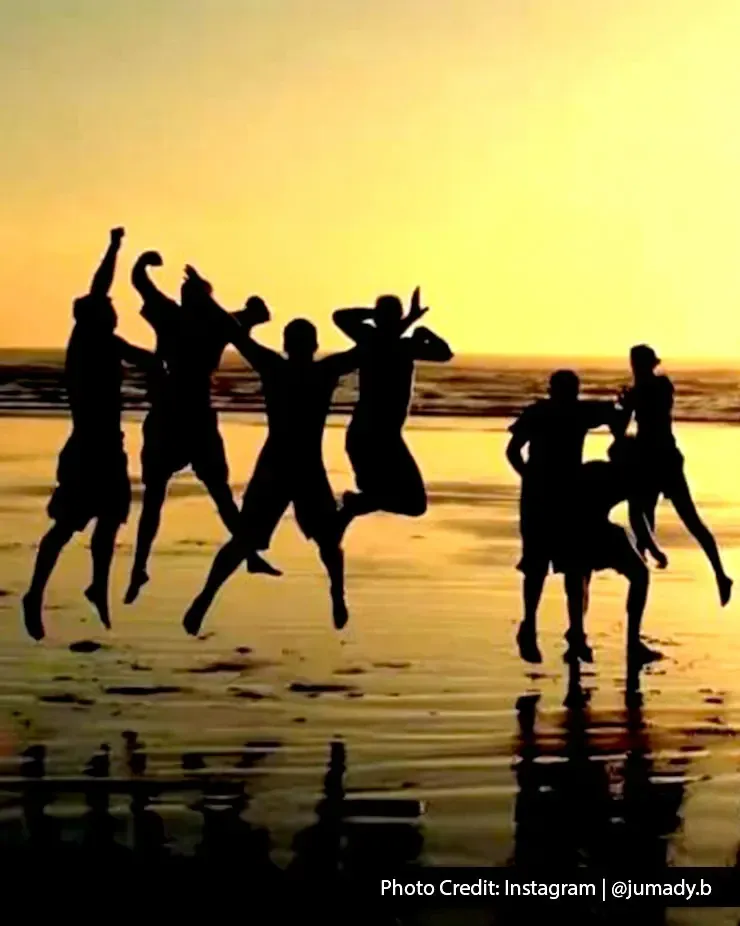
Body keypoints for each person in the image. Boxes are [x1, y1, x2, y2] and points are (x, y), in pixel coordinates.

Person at [182, 301, 359, 636]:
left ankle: (204, 599)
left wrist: (206, 302)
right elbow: (366, 350)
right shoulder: (324, 371)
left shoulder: (274, 367)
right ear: (315, 346)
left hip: (276, 462)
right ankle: (337, 594)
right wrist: (396, 322)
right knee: (327, 541)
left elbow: (237, 335)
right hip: (305, 465)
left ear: (286, 345)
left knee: (245, 540)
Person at [22, 228, 160, 640]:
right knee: (65, 527)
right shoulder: (87, 339)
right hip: (86, 449)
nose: (115, 314)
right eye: (110, 311)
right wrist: (114, 248)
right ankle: (34, 594)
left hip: (108, 448)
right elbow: (101, 287)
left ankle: (97, 585)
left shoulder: (105, 340)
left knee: (112, 518)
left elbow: (146, 360)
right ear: (94, 316)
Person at [124, 253, 277, 604]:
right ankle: (140, 566)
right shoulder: (204, 322)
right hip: (174, 417)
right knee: (162, 496)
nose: (185, 298)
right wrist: (143, 264)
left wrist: (146, 266)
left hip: (187, 417)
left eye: (191, 295)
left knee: (213, 494)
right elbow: (139, 282)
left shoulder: (209, 323)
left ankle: (248, 557)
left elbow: (260, 314)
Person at [506, 370, 619, 664]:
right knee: (541, 566)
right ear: (554, 390)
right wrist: (527, 476)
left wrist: (526, 474)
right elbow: (513, 450)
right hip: (544, 496)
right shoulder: (546, 413)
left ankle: (573, 633)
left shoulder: (574, 412)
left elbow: (513, 451)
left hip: (563, 495)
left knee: (570, 566)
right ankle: (532, 626)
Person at [332, 289, 453, 538]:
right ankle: (349, 510)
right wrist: (415, 326)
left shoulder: (399, 345)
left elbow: (444, 354)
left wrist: (418, 329)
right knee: (407, 501)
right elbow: (340, 316)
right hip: (369, 436)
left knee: (412, 503)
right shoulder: (373, 340)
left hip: (385, 437)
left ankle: (351, 508)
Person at [618, 345, 732, 607]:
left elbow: (635, 418)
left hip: (661, 459)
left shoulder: (658, 386)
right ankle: (648, 552)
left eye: (639, 363)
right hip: (653, 459)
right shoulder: (641, 391)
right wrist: (624, 406)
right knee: (641, 512)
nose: (636, 367)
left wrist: (627, 403)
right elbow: (621, 428)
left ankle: (719, 573)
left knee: (684, 518)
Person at [558, 437, 668, 667]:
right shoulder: (609, 473)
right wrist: (654, 551)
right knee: (631, 575)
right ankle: (591, 635)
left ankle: (584, 634)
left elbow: (637, 517)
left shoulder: (614, 473)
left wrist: (653, 548)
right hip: (579, 529)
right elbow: (637, 518)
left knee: (585, 576)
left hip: (583, 529)